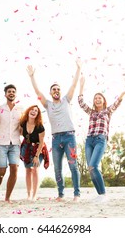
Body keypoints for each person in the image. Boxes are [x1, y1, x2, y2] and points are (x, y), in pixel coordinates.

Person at [27, 59, 82, 202]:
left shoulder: (66, 100)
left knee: (73, 166)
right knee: (57, 168)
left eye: (58, 89)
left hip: (69, 137)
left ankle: (76, 194)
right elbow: (37, 91)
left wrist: (78, 68)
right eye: (54, 89)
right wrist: (32, 76)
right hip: (56, 139)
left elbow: (74, 84)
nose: (56, 91)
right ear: (50, 93)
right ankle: (61, 194)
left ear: (60, 91)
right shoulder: (48, 104)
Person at [78, 74, 125, 203]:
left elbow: (117, 102)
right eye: (95, 98)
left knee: (93, 165)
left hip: (100, 140)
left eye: (99, 98)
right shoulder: (91, 112)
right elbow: (80, 102)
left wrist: (124, 92)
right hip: (89, 140)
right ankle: (100, 195)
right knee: (90, 169)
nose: (97, 99)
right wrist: (81, 86)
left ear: (103, 100)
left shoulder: (108, 111)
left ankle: (103, 194)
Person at [0, 84, 24, 203]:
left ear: (15, 94)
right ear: (5, 94)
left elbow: (23, 126)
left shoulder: (20, 109)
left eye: (13, 91)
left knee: (14, 168)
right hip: (1, 143)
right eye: (9, 91)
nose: (11, 93)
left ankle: (7, 198)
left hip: (15, 143)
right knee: (2, 171)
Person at [19, 105, 50, 201]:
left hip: (38, 148)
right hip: (26, 148)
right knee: (28, 170)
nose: (33, 111)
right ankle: (29, 194)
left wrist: (36, 156)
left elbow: (41, 143)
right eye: (32, 109)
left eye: (36, 111)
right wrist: (20, 148)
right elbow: (19, 134)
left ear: (38, 114)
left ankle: (34, 195)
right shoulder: (23, 123)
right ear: (28, 111)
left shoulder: (40, 127)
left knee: (35, 169)